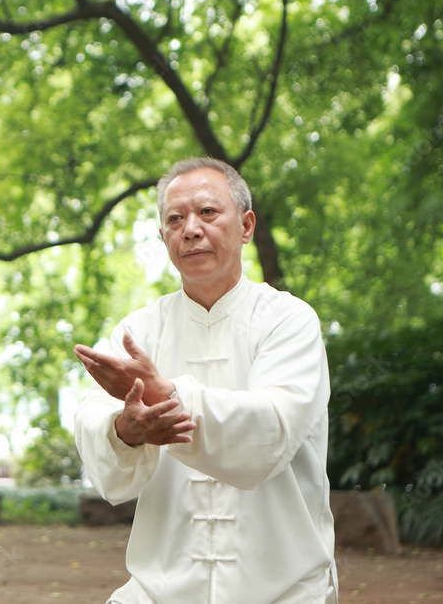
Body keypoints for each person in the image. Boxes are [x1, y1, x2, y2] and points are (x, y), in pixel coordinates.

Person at [73, 157, 337, 604]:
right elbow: (91, 418)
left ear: (247, 225)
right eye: (175, 219)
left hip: (283, 589)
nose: (190, 229)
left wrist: (165, 396)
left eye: (208, 213)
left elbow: (270, 430)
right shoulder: (139, 331)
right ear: (163, 238)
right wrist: (125, 431)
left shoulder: (289, 320)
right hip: (160, 588)